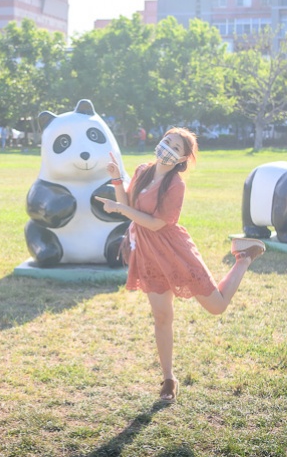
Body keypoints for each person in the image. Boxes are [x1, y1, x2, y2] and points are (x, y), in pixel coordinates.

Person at [96, 127, 265, 402]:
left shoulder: (176, 185)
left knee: (217, 306)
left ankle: (244, 258)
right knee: (162, 317)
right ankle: (168, 379)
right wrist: (116, 178)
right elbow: (127, 203)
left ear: (182, 158)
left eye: (175, 147)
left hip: (174, 250)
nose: (167, 148)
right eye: (166, 141)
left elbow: (155, 223)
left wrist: (122, 210)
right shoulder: (141, 171)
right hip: (148, 253)